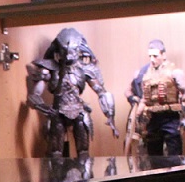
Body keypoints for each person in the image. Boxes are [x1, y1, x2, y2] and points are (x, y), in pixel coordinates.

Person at [26, 27, 118, 158]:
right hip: (57, 112)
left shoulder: (85, 69)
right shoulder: (49, 68)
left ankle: (84, 169)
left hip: (79, 111)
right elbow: (34, 96)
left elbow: (101, 92)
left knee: (84, 153)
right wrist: (44, 108)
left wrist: (110, 116)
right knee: (55, 154)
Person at [128, 39, 185, 156]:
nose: (152, 59)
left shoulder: (174, 72)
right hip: (152, 119)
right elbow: (145, 98)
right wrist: (138, 117)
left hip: (170, 117)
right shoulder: (146, 75)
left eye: (155, 56)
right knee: (153, 155)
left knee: (174, 154)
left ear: (163, 55)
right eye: (150, 56)